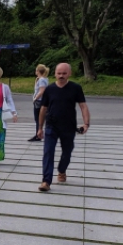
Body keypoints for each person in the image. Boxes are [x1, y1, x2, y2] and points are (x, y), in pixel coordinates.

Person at [37, 63, 90, 192]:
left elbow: (83, 106)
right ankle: (46, 181)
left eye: (64, 73)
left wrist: (86, 123)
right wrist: (40, 127)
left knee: (67, 152)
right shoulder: (49, 89)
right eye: (59, 73)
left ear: (69, 74)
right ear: (55, 73)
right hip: (51, 125)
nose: (61, 76)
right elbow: (43, 108)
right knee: (48, 152)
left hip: (68, 126)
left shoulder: (75, 88)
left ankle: (61, 170)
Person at [29, 64, 50, 142]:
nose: (35, 71)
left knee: (38, 118)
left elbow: (42, 91)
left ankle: (38, 135)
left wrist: (35, 98)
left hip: (39, 101)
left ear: (38, 71)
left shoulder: (41, 80)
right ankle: (39, 134)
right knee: (40, 118)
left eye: (36, 70)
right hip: (42, 100)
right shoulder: (44, 79)